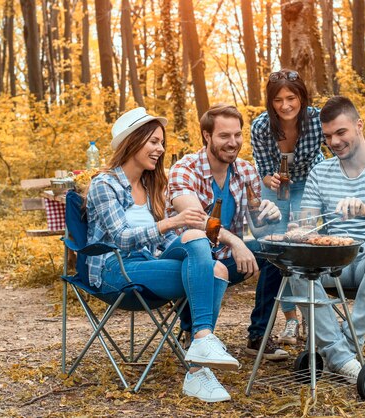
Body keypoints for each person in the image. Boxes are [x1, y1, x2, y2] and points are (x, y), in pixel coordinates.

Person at [85, 107, 239, 403]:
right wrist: (172, 221)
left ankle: (200, 349)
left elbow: (167, 238)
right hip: (115, 270)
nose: (161, 149)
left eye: (161, 142)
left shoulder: (151, 184)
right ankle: (198, 364)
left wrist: (181, 229)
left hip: (149, 264)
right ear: (132, 140)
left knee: (214, 263)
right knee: (201, 254)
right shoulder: (104, 184)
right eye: (154, 141)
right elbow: (120, 239)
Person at [250, 69, 365, 345]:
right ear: (270, 102)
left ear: (301, 96)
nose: (285, 105)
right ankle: (275, 325)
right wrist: (271, 178)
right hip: (275, 185)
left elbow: (343, 146)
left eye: (291, 97)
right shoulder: (260, 127)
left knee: (305, 247)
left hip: (311, 181)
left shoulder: (316, 120)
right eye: (278, 100)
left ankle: (310, 321)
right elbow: (264, 169)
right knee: (277, 251)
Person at [288, 95, 365, 382]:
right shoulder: (321, 171)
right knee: (294, 267)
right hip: (334, 261)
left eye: (341, 132)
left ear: (359, 126)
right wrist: (297, 229)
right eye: (328, 136)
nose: (335, 141)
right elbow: (307, 223)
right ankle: (342, 357)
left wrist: (363, 208)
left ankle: (342, 348)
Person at [168, 104, 290, 362]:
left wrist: (270, 216)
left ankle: (258, 336)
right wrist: (236, 240)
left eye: (237, 135)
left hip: (224, 254)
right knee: (203, 255)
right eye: (224, 136)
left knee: (275, 251)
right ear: (207, 136)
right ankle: (195, 334)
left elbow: (258, 228)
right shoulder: (184, 169)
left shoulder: (246, 171)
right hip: (185, 257)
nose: (232, 142)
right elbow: (197, 220)